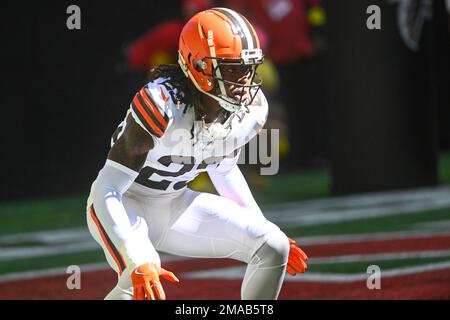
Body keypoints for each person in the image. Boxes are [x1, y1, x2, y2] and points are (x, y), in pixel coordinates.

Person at [86, 7, 308, 300]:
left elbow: (224, 168)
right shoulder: (162, 104)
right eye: (231, 69)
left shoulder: (251, 109)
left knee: (273, 244)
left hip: (177, 204)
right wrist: (134, 258)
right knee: (141, 280)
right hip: (126, 204)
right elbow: (107, 188)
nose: (243, 82)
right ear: (199, 66)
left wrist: (262, 226)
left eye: (248, 68)